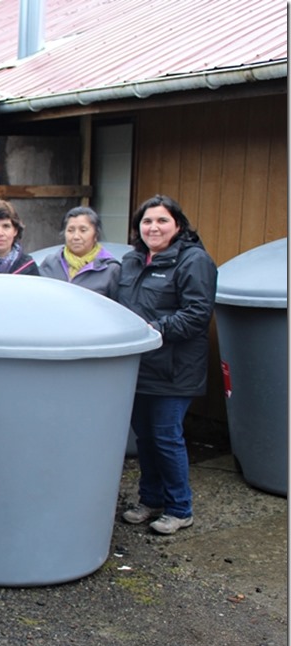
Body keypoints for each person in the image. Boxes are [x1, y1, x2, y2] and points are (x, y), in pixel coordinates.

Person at [116, 195, 217, 535]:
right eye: (147, 221)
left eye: (161, 221)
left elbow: (196, 315)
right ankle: (150, 499)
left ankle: (179, 507)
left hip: (175, 370)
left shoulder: (193, 261)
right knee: (145, 438)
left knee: (165, 437)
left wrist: (152, 330)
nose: (153, 227)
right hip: (139, 369)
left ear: (178, 225)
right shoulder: (131, 261)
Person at [38, 206, 121, 298]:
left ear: (96, 235)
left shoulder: (110, 269)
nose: (76, 236)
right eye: (70, 230)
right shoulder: (50, 263)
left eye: (83, 230)